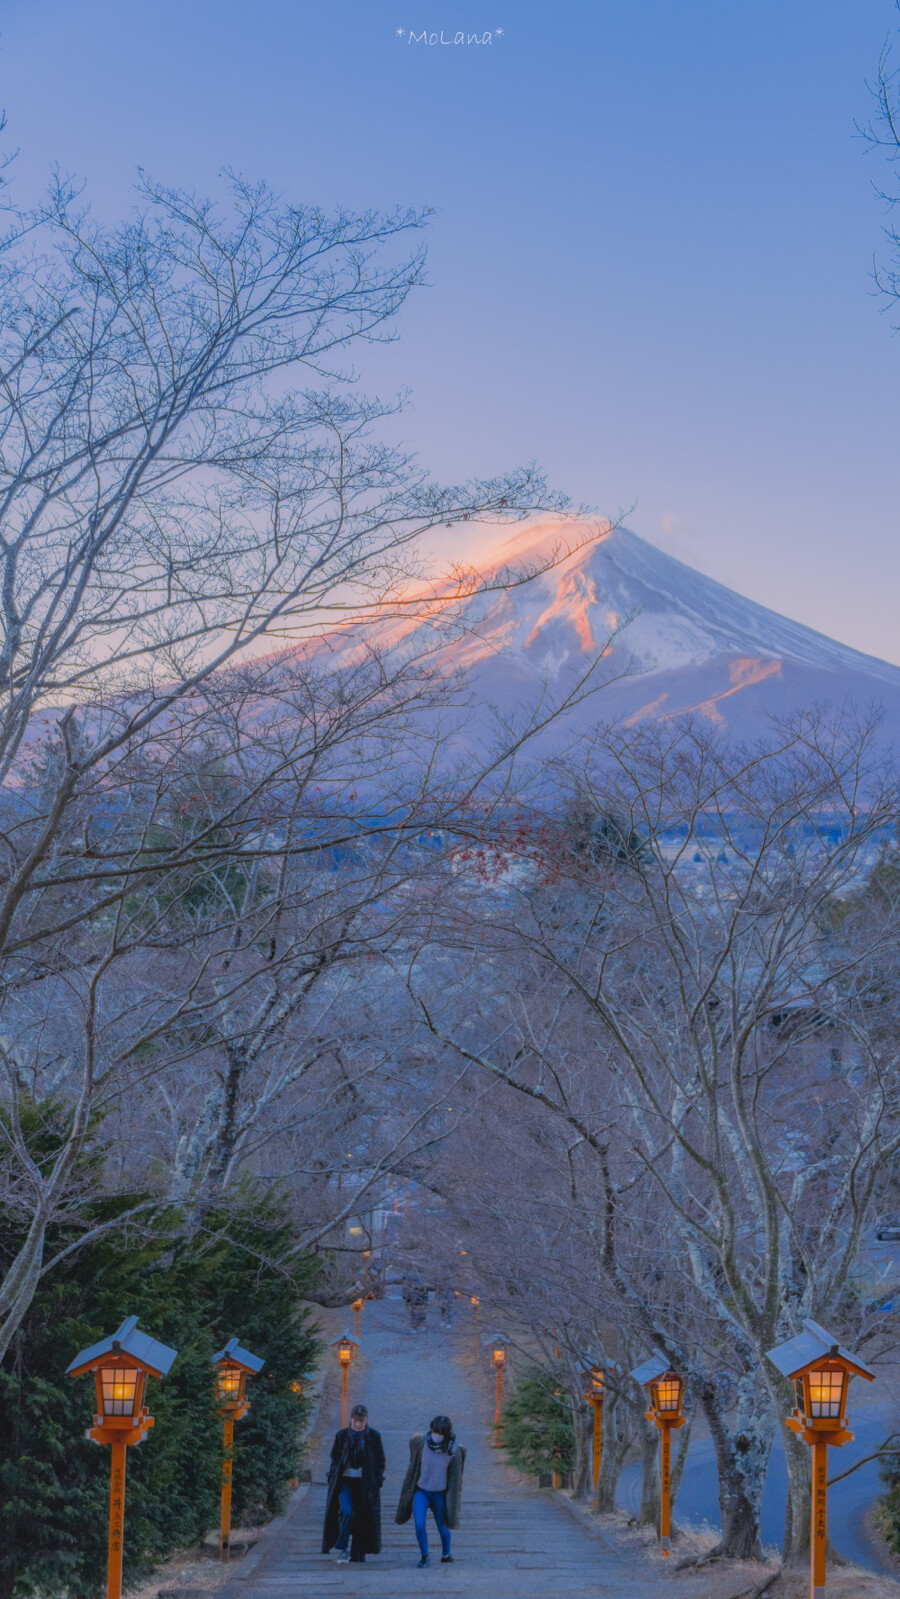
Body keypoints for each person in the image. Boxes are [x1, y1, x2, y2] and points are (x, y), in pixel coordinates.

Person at [395, 1414, 465, 1568]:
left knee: (442, 1526)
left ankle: (446, 1553)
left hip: (439, 1494)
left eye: (440, 1433)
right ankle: (424, 1555)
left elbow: (455, 1477)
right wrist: (414, 1438)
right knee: (419, 1523)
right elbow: (414, 1449)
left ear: (446, 1434)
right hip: (421, 1491)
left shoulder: (452, 1451)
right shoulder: (423, 1443)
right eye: (434, 1431)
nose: (436, 1436)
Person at [322, 1404, 386, 1565]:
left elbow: (380, 1460)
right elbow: (335, 1458)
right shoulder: (342, 1436)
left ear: (366, 1420)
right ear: (350, 1419)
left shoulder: (373, 1437)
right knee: (346, 1511)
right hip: (345, 1481)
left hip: (365, 1483)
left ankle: (358, 1551)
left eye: (361, 1421)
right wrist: (332, 1477)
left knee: (362, 1517)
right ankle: (343, 1546)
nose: (358, 1424)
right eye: (355, 1420)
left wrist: (377, 1480)